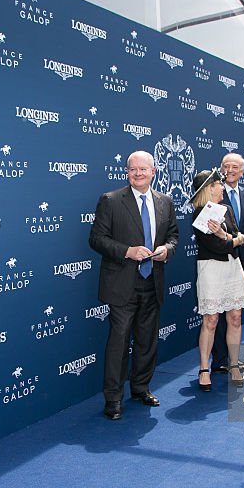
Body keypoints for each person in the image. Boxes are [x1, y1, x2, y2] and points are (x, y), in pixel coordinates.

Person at [89, 151, 178, 420]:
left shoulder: (165, 201)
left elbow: (173, 235)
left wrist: (166, 250)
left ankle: (140, 388)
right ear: (127, 172)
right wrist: (127, 251)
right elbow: (96, 239)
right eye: (132, 169)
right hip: (121, 285)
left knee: (147, 341)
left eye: (143, 169)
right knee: (118, 343)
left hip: (153, 282)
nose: (138, 173)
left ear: (154, 171)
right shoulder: (111, 200)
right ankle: (113, 399)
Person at [190, 169, 244, 390]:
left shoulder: (227, 210)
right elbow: (216, 246)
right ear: (210, 188)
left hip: (232, 268)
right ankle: (204, 369)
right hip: (211, 269)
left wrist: (224, 235)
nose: (223, 187)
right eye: (219, 184)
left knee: (235, 317)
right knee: (211, 320)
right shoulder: (199, 214)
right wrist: (230, 240)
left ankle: (233, 364)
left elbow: (237, 237)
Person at [211, 153, 244, 373]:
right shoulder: (214, 196)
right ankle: (219, 359)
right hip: (218, 260)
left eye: (235, 166)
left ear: (242, 171)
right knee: (217, 313)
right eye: (225, 166)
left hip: (241, 261)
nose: (230, 169)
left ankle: (234, 358)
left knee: (235, 313)